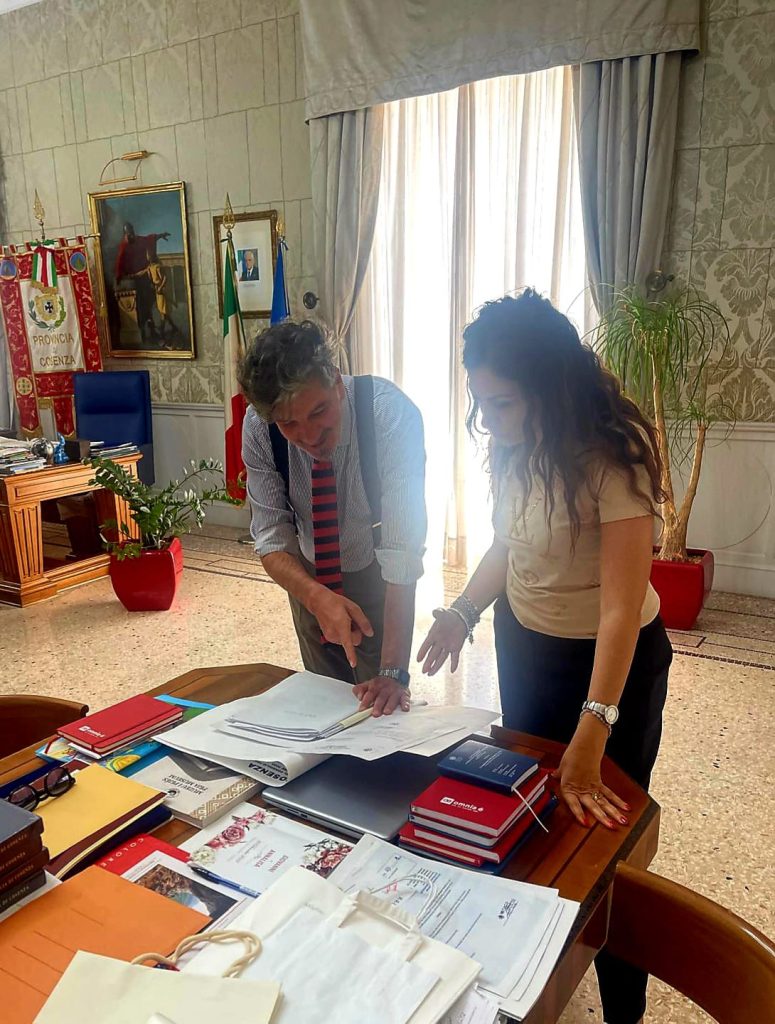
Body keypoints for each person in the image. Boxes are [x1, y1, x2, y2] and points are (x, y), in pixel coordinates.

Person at [417, 289, 672, 1024]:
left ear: (550, 389)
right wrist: (462, 611)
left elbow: (620, 608)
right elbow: (508, 544)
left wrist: (594, 728)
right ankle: (534, 970)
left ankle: (623, 1005)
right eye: (481, 402)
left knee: (607, 835)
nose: (487, 419)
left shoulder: (615, 455)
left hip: (614, 664)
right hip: (528, 644)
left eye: (501, 403)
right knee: (535, 813)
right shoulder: (513, 443)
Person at [239, 319, 427, 717]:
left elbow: (401, 552)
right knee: (324, 702)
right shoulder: (258, 427)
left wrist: (393, 673)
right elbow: (271, 537)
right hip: (307, 573)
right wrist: (314, 596)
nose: (309, 436)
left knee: (380, 707)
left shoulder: (390, 416)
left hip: (378, 569)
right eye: (289, 424)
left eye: (319, 411)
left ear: (338, 383)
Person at [114, 222, 179, 344]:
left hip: (145, 280)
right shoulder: (123, 246)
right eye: (129, 233)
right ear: (125, 234)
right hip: (134, 281)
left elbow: (149, 239)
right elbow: (119, 264)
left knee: (152, 305)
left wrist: (161, 235)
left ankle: (156, 330)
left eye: (132, 232)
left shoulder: (139, 240)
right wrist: (119, 277)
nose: (131, 235)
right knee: (143, 308)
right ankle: (150, 331)